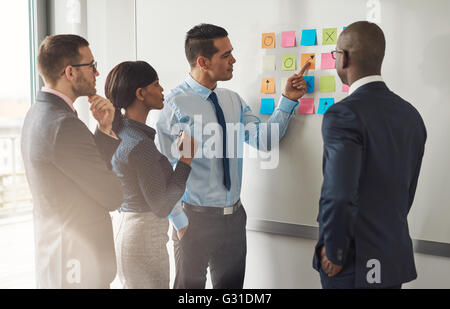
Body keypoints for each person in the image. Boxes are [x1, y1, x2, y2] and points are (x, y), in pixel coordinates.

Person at [156, 23, 310, 289]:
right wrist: (180, 223)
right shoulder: (173, 105)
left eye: (232, 53)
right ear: (203, 62)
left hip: (234, 219)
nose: (233, 60)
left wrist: (287, 99)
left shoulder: (232, 101)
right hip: (193, 221)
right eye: (225, 55)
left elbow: (265, 141)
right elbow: (161, 174)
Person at [313, 21, 427, 289]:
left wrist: (335, 249)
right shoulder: (411, 115)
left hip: (354, 261)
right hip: (391, 256)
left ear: (344, 57)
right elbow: (406, 193)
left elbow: (339, 193)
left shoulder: (343, 114)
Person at [21, 34, 123, 288]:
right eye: (91, 65)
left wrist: (104, 129)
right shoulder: (64, 125)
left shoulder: (37, 113)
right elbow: (112, 196)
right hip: (78, 266)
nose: (96, 73)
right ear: (70, 72)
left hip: (60, 258)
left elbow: (78, 175)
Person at [105, 61, 197, 288]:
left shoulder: (121, 132)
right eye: (156, 84)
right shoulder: (139, 144)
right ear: (140, 93)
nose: (162, 89)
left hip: (127, 230)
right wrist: (185, 160)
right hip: (143, 238)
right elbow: (162, 205)